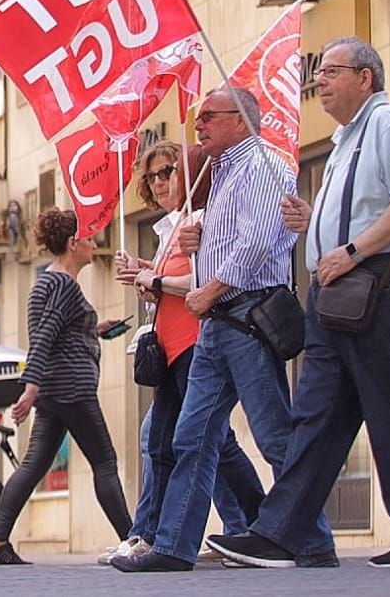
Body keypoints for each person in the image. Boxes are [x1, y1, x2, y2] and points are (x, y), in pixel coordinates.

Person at [209, 38, 390, 569]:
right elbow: (361, 206)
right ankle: (280, 533)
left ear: (366, 78)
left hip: (378, 285)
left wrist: (349, 249)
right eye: (319, 73)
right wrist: (311, 220)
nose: (319, 80)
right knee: (315, 417)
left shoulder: (389, 125)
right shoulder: (346, 138)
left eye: (332, 71)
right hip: (337, 292)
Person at [113, 85, 329, 573]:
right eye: (199, 118)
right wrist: (199, 238)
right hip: (218, 324)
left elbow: (255, 246)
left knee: (274, 435)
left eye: (208, 116)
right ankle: (174, 545)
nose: (199, 126)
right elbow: (236, 238)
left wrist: (209, 290)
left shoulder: (262, 167)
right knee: (191, 435)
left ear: (240, 119)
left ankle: (313, 540)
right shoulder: (224, 175)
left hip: (246, 317)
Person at [109, 142, 261, 562]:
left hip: (198, 342)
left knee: (186, 440)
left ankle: (162, 536)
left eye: (169, 171)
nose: (159, 182)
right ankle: (246, 527)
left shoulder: (203, 220)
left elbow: (204, 278)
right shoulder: (171, 228)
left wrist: (153, 279)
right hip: (173, 344)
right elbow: (171, 284)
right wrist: (147, 276)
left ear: (191, 173)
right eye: (153, 176)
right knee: (198, 441)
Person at [0, 209, 132, 565]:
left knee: (33, 464)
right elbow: (44, 336)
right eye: (89, 238)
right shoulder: (63, 283)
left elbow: (57, 331)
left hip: (53, 388)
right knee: (105, 462)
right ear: (73, 243)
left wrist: (93, 328)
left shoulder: (47, 282)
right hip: (71, 387)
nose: (94, 244)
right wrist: (29, 389)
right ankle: (133, 539)